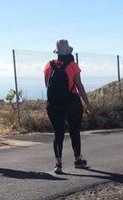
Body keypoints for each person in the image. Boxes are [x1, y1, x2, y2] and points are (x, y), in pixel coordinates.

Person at [43, 39, 90, 174]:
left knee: (58, 133)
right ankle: (77, 160)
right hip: (72, 102)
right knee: (74, 131)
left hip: (54, 104)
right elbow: (79, 85)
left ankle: (58, 164)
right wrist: (87, 104)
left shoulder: (49, 65)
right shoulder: (73, 66)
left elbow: (47, 85)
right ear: (69, 51)